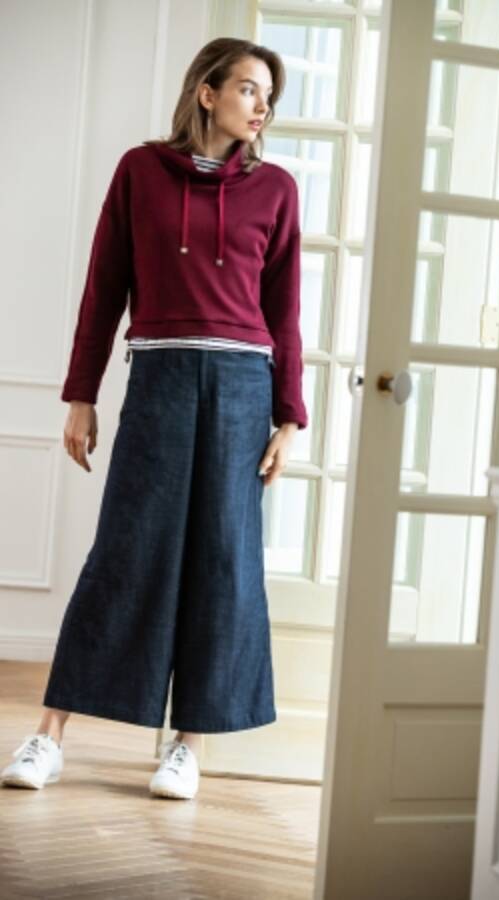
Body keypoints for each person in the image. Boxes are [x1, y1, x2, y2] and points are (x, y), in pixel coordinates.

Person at [1, 37, 308, 800]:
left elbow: (285, 310)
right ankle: (49, 736)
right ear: (207, 92)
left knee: (223, 562)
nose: (263, 105)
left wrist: (289, 417)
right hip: (161, 379)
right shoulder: (140, 171)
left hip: (242, 386)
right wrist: (81, 395)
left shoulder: (276, 189)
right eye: (249, 88)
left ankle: (188, 745)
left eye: (269, 94)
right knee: (124, 551)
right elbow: (104, 287)